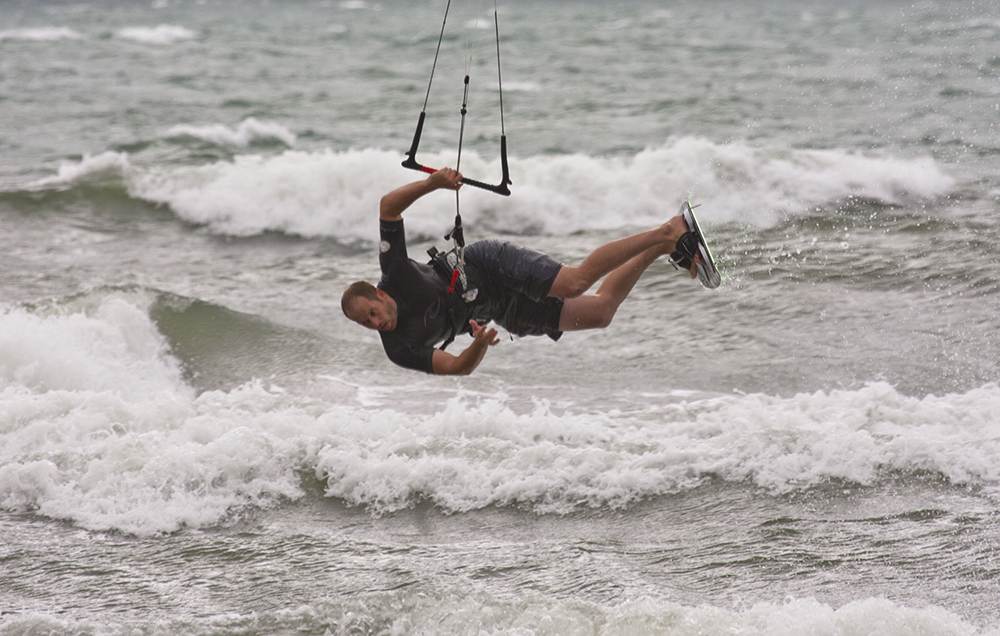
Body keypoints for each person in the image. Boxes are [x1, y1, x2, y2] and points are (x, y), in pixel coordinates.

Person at [341, 168, 700, 375]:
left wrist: (432, 184)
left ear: (381, 295)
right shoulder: (398, 348)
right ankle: (664, 244)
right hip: (498, 308)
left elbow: (388, 207)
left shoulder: (395, 275)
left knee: (574, 283)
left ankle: (667, 232)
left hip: (485, 265)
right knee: (600, 313)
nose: (375, 323)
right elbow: (455, 368)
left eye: (371, 313)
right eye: (365, 324)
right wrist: (479, 344)